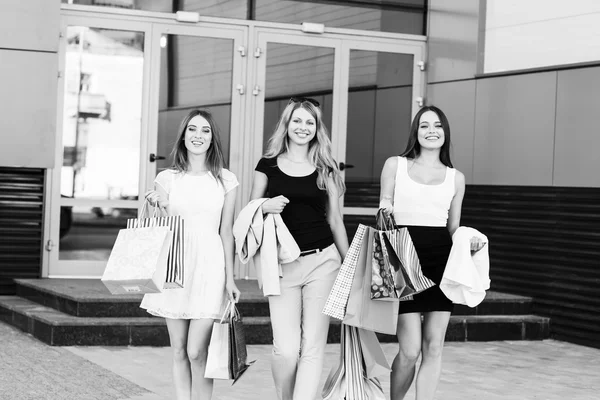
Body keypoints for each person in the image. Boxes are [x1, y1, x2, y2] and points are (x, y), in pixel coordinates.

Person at [379, 105, 484, 400]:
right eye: (424, 126)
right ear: (416, 131)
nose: (431, 131)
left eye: (437, 126)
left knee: (434, 346)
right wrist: (385, 206)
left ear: (445, 132)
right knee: (410, 350)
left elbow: (454, 227)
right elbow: (385, 201)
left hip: (442, 262)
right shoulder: (395, 165)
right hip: (404, 262)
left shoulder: (456, 177)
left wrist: (470, 242)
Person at [249, 97, 349, 400]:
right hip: (282, 266)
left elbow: (335, 220)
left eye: (310, 122)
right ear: (287, 125)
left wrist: (349, 266)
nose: (303, 127)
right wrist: (266, 204)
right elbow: (251, 210)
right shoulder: (267, 165)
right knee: (287, 349)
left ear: (317, 128)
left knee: (314, 346)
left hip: (323, 263)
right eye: (297, 121)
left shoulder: (326, 168)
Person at [141, 109, 241, 400]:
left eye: (205, 130)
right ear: (183, 136)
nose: (199, 135)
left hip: (210, 268)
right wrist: (158, 202)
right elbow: (157, 227)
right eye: (193, 129)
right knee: (179, 349)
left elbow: (226, 232)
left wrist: (231, 279)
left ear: (212, 139)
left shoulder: (226, 180)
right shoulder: (168, 178)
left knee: (198, 351)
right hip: (175, 268)